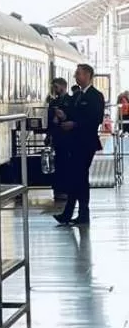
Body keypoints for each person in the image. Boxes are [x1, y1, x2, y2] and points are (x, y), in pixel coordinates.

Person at [55, 64, 105, 225]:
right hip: (75, 143)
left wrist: (75, 124)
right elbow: (74, 114)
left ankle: (80, 213)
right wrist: (64, 117)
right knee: (76, 177)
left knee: (79, 177)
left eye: (78, 74)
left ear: (88, 75)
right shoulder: (77, 95)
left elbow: (95, 119)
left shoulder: (95, 96)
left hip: (86, 143)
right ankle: (72, 213)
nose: (76, 77)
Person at [46, 77, 71, 202]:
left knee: (67, 164)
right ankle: (58, 190)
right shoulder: (53, 103)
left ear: (63, 86)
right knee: (57, 163)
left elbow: (73, 117)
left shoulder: (70, 101)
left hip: (67, 137)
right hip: (57, 136)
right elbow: (49, 121)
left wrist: (64, 116)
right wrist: (48, 135)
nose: (55, 90)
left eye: (56, 87)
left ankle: (66, 189)